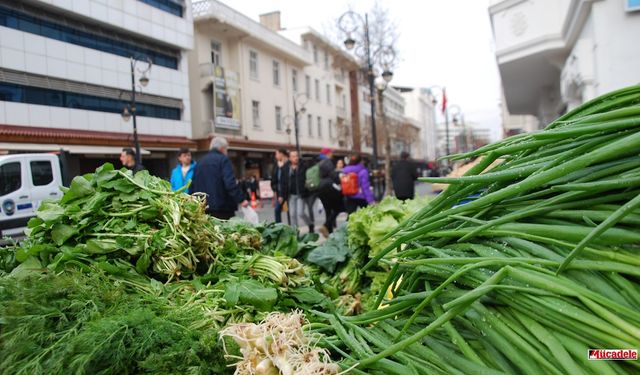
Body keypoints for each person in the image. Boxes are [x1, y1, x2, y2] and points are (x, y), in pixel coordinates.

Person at [190, 137, 248, 220]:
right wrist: (241, 199)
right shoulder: (223, 160)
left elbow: (192, 185)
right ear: (222, 148)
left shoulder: (200, 162)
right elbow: (230, 183)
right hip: (222, 208)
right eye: (226, 149)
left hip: (203, 207)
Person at [316, 148, 343, 237]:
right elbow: (333, 175)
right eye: (331, 153)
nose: (332, 154)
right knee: (339, 207)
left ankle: (329, 232)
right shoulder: (327, 162)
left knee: (328, 210)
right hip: (328, 187)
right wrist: (340, 180)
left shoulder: (319, 162)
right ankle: (326, 225)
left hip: (320, 188)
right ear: (328, 153)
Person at [288, 150, 314, 232]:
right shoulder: (287, 168)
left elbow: (309, 178)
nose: (295, 158)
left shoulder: (303, 166)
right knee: (292, 215)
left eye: (296, 156)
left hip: (301, 194)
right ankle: (295, 233)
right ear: (290, 158)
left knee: (300, 213)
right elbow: (284, 181)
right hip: (291, 194)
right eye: (293, 156)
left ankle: (310, 224)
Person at [270, 149, 290, 223]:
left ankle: (290, 227)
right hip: (279, 193)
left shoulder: (288, 164)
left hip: (287, 193)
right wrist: (275, 189)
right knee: (277, 210)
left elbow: (285, 180)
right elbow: (274, 179)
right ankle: (279, 228)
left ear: (281, 154)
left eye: (277, 154)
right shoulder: (276, 165)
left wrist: (282, 195)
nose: (276, 156)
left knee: (287, 211)